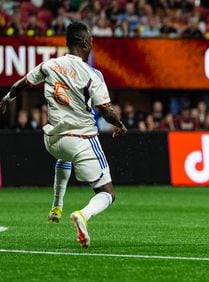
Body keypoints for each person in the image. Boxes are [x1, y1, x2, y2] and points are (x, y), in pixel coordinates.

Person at [0, 22, 127, 248]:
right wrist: (119, 124)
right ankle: (83, 215)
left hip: (52, 139)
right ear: (85, 43)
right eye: (91, 42)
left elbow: (22, 84)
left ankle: (57, 206)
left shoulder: (50, 65)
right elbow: (105, 111)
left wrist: (6, 99)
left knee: (64, 156)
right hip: (80, 140)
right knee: (108, 193)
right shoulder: (92, 74)